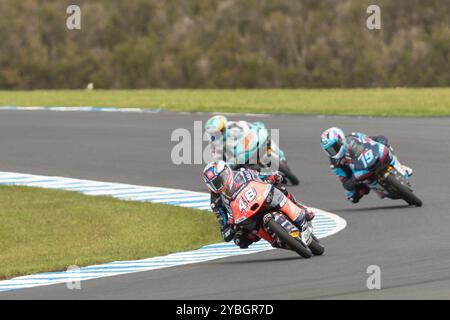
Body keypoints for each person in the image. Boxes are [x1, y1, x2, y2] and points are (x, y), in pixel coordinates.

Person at [202, 160, 314, 249]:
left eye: (219, 180)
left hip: (261, 198)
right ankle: (274, 239)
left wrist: (273, 176)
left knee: (278, 186)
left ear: (226, 172)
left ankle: (300, 208)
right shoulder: (215, 202)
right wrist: (230, 228)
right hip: (244, 216)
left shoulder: (242, 172)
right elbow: (224, 229)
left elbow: (261, 176)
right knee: (240, 240)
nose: (219, 185)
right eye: (214, 184)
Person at [319, 127, 413, 203]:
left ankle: (399, 165)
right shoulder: (335, 164)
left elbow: (373, 139)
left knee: (386, 145)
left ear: (340, 139)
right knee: (352, 196)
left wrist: (381, 141)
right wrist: (353, 181)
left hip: (371, 158)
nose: (333, 151)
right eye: (330, 150)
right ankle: (378, 189)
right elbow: (345, 182)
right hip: (360, 174)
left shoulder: (354, 136)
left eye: (334, 147)